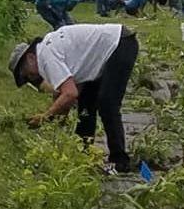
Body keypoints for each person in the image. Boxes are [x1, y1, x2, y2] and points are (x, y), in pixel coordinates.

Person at [8, 23, 138, 173]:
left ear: (30, 57)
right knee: (86, 106)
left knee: (107, 104)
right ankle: (83, 153)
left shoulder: (46, 57)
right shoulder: (48, 48)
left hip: (119, 45)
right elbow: (72, 91)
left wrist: (45, 117)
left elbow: (70, 94)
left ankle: (119, 161)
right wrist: (59, 115)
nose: (31, 78)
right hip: (110, 48)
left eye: (26, 73)